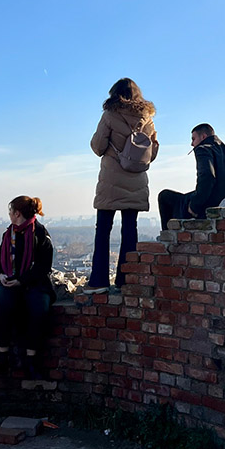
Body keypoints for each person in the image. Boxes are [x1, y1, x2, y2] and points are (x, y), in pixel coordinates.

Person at [85, 78, 159, 293]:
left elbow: (98, 147)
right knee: (130, 230)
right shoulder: (148, 119)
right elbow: (151, 154)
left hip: (111, 179)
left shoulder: (109, 115)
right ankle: (126, 280)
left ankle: (98, 281)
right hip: (136, 179)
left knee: (103, 230)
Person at [0, 195, 55, 379]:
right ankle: (3, 357)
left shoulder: (40, 234)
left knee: (38, 310)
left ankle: (31, 361)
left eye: (10, 211)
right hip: (9, 281)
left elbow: (44, 266)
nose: (9, 215)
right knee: (0, 307)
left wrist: (22, 280)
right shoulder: (8, 234)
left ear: (17, 213)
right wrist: (1, 275)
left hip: (34, 283)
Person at [158, 124, 225, 230]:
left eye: (193, 139)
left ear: (203, 137)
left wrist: (194, 206)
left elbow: (207, 176)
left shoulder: (203, 149)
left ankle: (168, 238)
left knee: (164, 196)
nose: (192, 144)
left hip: (206, 205)